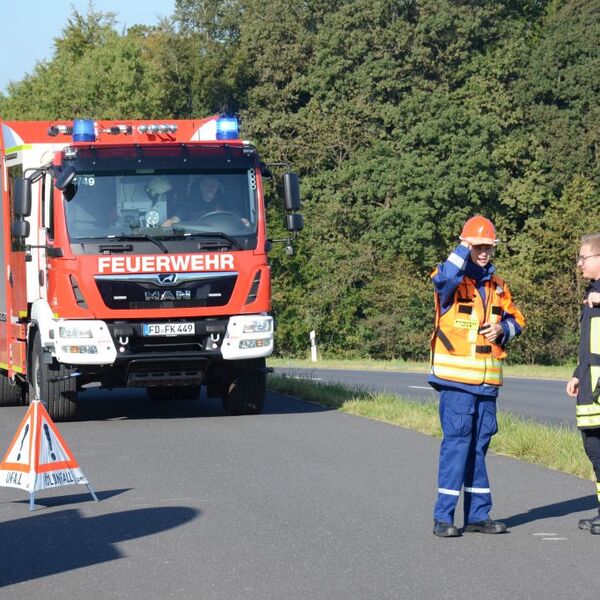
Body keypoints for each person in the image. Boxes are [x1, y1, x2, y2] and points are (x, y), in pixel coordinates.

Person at [429, 215, 525, 537]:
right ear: (467, 246)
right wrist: (463, 247)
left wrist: (503, 329)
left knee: (479, 448)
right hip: (457, 383)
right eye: (478, 246)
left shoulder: (498, 286)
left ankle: (477, 516)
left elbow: (518, 319)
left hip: (487, 385)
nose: (484, 252)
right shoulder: (452, 282)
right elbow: (444, 278)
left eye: (488, 247)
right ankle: (443, 518)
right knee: (457, 446)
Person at [566, 232, 600, 535]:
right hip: (591, 386)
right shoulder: (591, 293)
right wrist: (578, 372)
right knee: (593, 447)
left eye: (583, 257)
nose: (579, 263)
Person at [161, 175, 249, 228]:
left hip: (223, 240)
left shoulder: (226, 202)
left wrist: (245, 223)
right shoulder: (189, 203)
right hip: (194, 240)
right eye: (206, 185)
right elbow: (177, 217)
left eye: (213, 185)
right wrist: (170, 222)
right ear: (200, 186)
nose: (209, 188)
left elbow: (240, 219)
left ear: (217, 187)